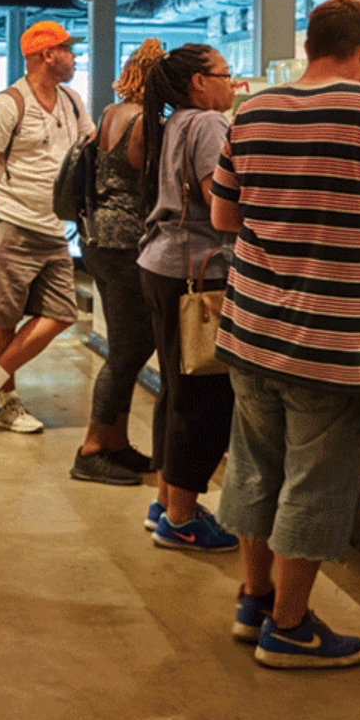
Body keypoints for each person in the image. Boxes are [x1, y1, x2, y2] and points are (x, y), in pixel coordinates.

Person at [210, 0, 360, 668]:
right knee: (318, 481)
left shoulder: (251, 110)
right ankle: (291, 627)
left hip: (251, 327)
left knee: (256, 466)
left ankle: (254, 601)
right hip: (334, 340)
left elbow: (223, 216)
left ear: (308, 46)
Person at [0, 20, 94, 434]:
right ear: (47, 54)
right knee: (3, 318)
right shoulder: (7, 105)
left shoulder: (72, 101)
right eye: (67, 50)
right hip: (11, 224)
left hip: (53, 227)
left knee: (62, 313)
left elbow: (91, 147)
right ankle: (7, 403)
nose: (74, 57)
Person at [136, 44, 238, 550]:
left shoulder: (175, 121)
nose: (233, 84)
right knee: (204, 400)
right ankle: (180, 519)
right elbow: (218, 200)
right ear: (200, 81)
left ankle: (167, 502)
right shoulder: (210, 124)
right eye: (226, 74)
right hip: (198, 271)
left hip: (163, 265)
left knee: (178, 392)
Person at [70, 38, 164, 485]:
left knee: (129, 348)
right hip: (127, 242)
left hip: (99, 238)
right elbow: (154, 182)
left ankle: (116, 442)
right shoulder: (146, 121)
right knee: (127, 352)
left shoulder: (111, 112)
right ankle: (91, 449)